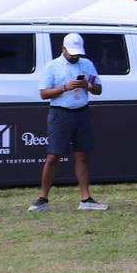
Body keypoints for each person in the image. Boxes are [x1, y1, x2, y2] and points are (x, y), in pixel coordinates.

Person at [33, 32, 107, 211]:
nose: (75, 56)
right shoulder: (52, 66)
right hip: (60, 114)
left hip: (82, 112)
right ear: (63, 49)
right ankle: (43, 199)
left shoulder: (87, 64)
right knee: (53, 156)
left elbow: (99, 89)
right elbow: (43, 93)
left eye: (78, 53)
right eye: (72, 52)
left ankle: (86, 199)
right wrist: (65, 87)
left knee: (82, 155)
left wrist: (87, 85)